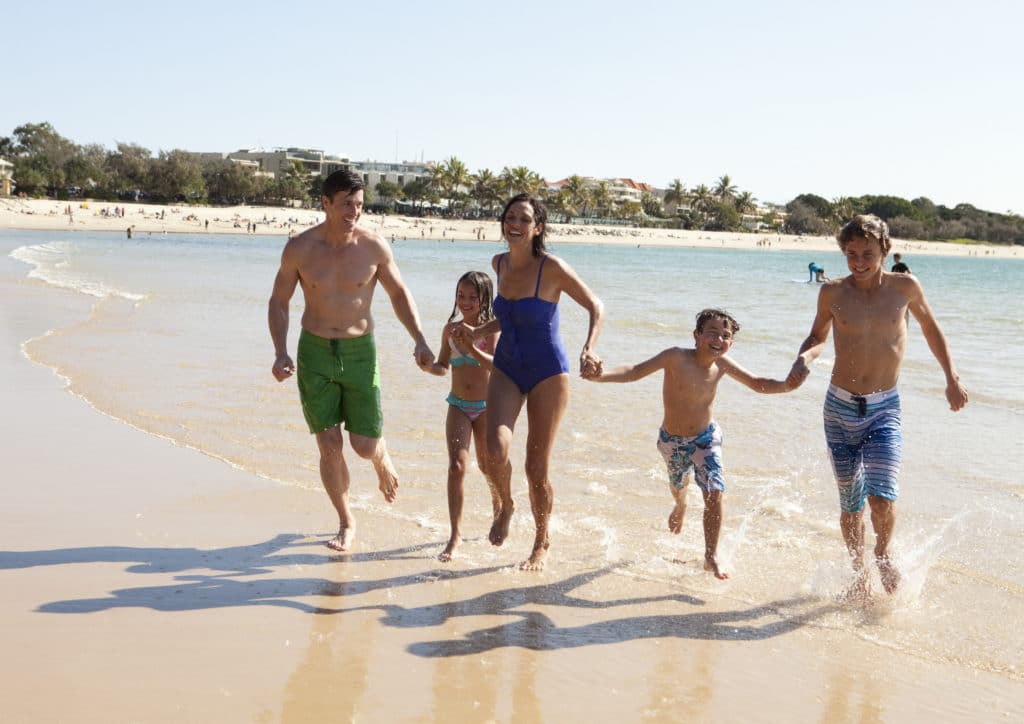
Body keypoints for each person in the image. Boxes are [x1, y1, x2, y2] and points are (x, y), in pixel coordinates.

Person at [788, 214, 968, 600]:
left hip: (884, 408)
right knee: (851, 504)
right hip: (838, 408)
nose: (858, 261)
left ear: (884, 250)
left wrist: (951, 377)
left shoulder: (905, 288)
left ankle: (883, 552)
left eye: (867, 253)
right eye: (851, 253)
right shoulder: (833, 293)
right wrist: (805, 359)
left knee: (882, 498)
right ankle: (858, 572)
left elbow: (932, 330)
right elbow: (817, 336)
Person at [268, 169, 435, 552]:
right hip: (315, 351)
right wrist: (280, 350)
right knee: (328, 444)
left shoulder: (374, 247)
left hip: (361, 352)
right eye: (346, 205)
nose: (354, 213)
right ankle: (346, 521)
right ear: (325, 202)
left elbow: (398, 294)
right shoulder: (299, 248)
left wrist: (421, 339)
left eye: (359, 205)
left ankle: (380, 457)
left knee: (361, 444)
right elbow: (279, 301)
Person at [589, 309, 797, 579]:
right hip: (672, 441)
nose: (719, 339)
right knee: (678, 486)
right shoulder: (675, 357)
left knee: (714, 491)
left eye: (726, 336)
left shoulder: (723, 365)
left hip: (705, 439)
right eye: (712, 333)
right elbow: (635, 371)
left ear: (730, 343)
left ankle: (710, 556)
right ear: (697, 336)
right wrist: (600, 375)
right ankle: (680, 505)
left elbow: (757, 383)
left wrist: (786, 386)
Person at [455, 193, 604, 570]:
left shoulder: (551, 267)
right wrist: (475, 332)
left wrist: (589, 347)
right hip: (507, 366)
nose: (514, 224)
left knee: (536, 468)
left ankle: (541, 541)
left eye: (524, 219)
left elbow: (596, 306)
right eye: (510, 217)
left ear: (538, 227)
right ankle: (505, 504)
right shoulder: (499, 263)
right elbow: (508, 318)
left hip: (548, 372)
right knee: (493, 452)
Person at [424, 271, 505, 562]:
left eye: (472, 297)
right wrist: (427, 366)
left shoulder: (491, 330)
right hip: (457, 405)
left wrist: (471, 345)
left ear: (485, 299)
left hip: (486, 406)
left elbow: (497, 366)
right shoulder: (450, 330)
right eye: (461, 296)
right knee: (457, 466)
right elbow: (443, 366)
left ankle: (498, 505)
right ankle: (455, 535)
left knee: (486, 465)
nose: (466, 301)